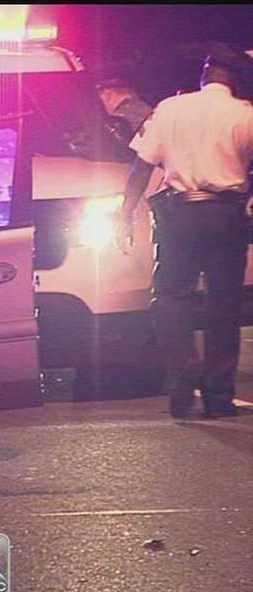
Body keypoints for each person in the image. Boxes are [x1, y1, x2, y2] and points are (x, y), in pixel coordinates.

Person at [119, 49, 253, 418]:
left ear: (205, 74)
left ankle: (182, 378)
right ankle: (219, 397)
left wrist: (125, 212)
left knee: (170, 297)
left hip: (179, 214)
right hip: (227, 215)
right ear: (237, 80)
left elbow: (141, 167)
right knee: (223, 305)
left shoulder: (170, 109)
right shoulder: (245, 114)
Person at [94, 65, 154, 146]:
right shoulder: (142, 107)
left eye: (98, 95)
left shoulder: (123, 117)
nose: (98, 101)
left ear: (106, 93)